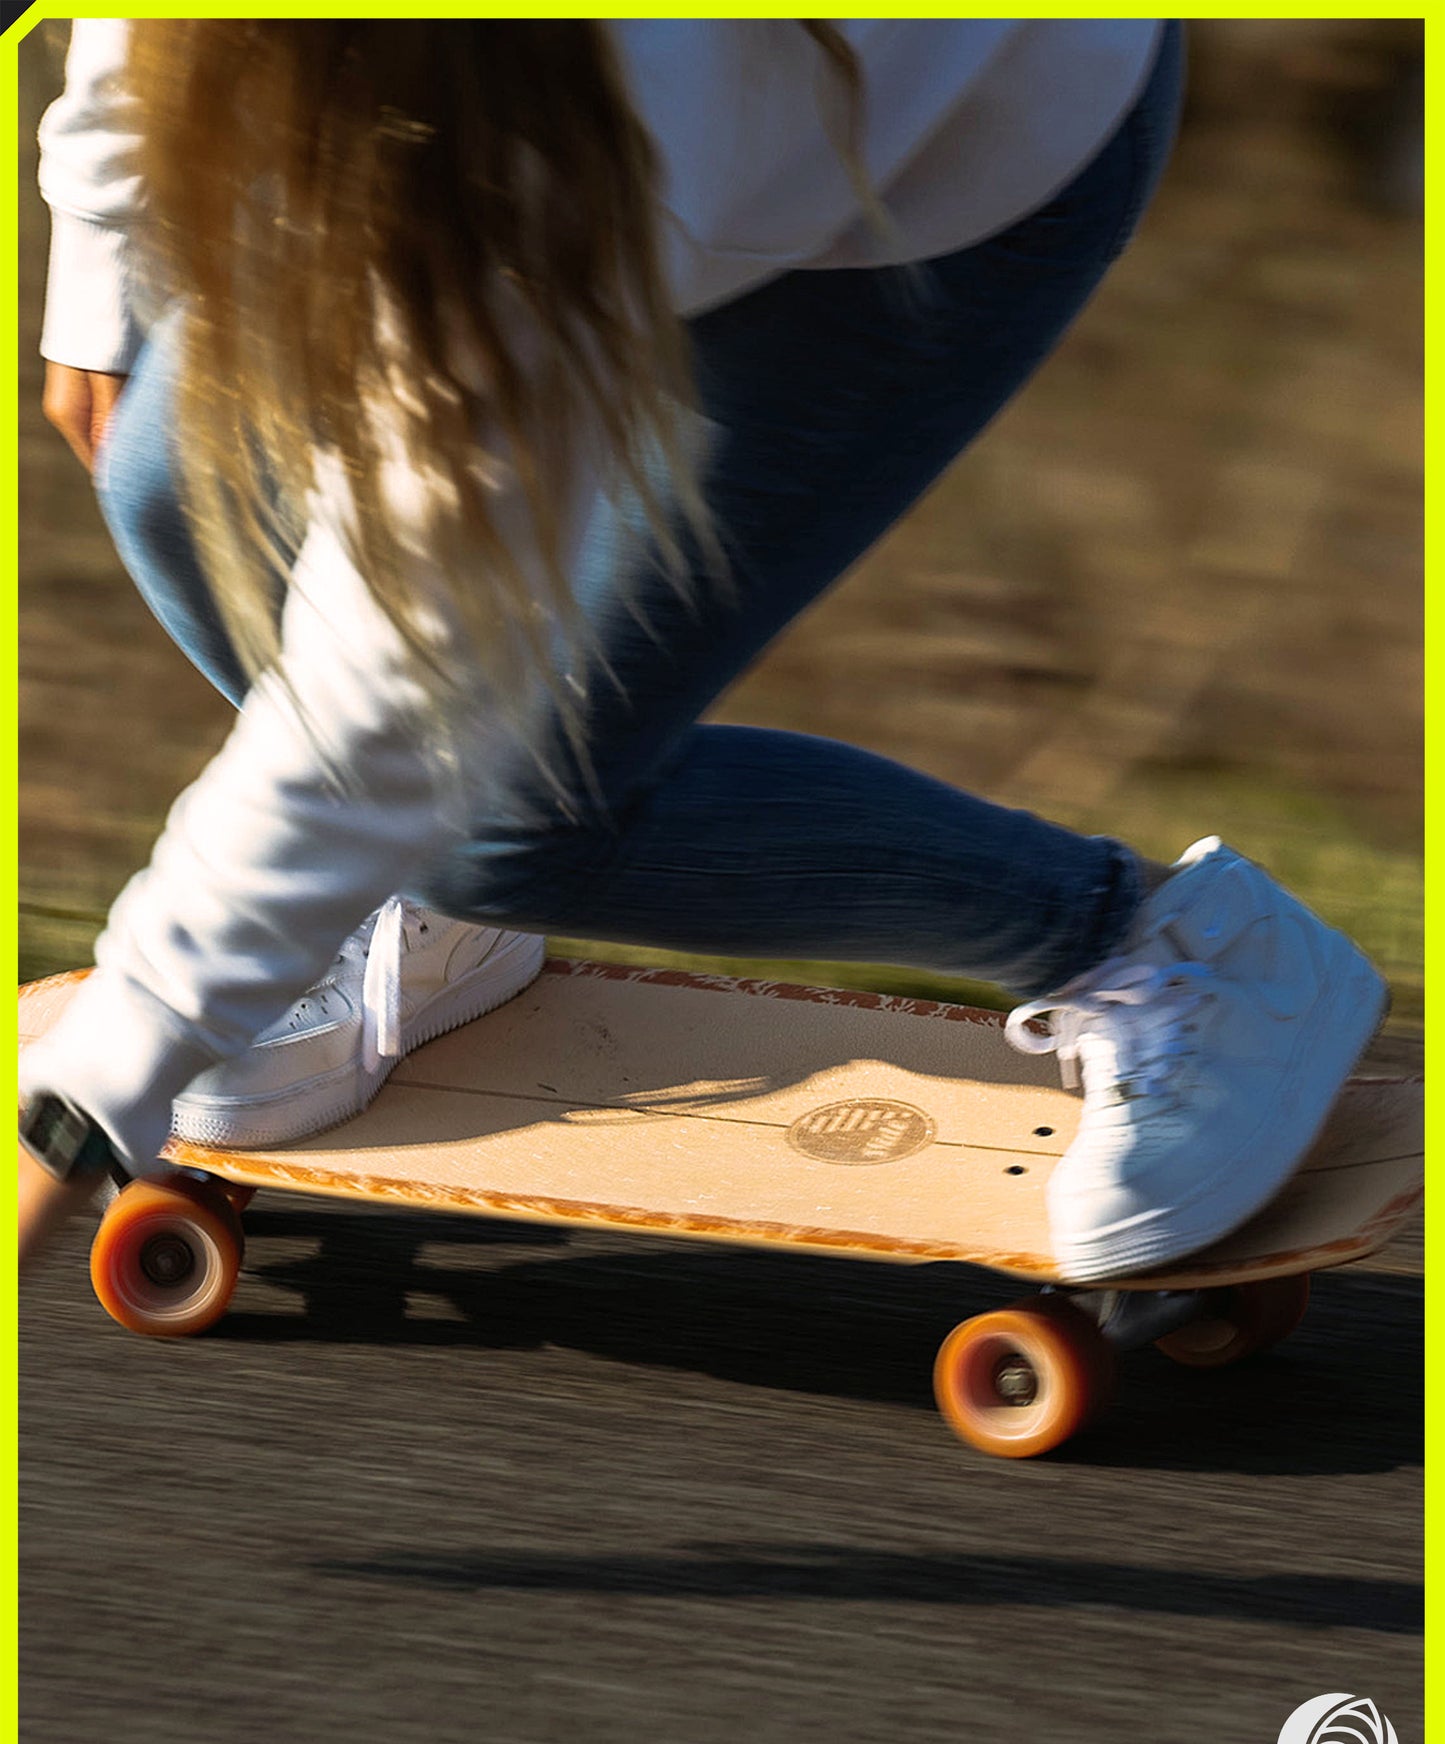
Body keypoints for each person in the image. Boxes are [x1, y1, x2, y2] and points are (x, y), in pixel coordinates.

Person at [19, 21, 1386, 1285]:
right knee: (167, 472)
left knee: (504, 816)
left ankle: (1179, 952)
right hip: (628, 135)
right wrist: (100, 250)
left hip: (937, 175)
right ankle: (414, 911)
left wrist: (102, 1082)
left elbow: (401, 668)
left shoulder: (594, 129)